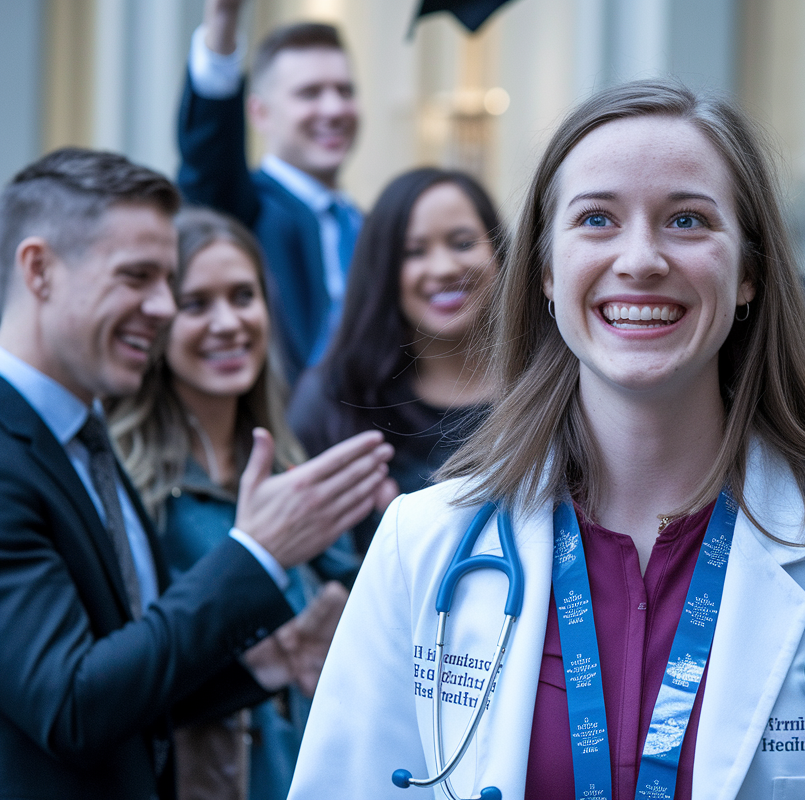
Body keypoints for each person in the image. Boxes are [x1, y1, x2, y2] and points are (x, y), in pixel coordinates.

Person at [288, 79, 805, 800]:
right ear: (544, 271)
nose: (641, 259)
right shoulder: (424, 543)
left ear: (748, 271)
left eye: (687, 221)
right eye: (596, 219)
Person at [0, 148, 392, 800]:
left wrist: (263, 665)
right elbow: (70, 706)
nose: (160, 307)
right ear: (39, 270)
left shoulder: (80, 442)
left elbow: (129, 693)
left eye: (166, 281)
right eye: (138, 277)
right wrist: (255, 556)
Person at [108, 207, 388, 799]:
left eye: (243, 296)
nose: (228, 322)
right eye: (197, 304)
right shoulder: (126, 487)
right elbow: (119, 690)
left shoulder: (291, 468)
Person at [288, 168, 502, 553]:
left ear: (499, 254)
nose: (444, 268)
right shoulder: (334, 400)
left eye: (463, 242)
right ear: (383, 271)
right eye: (414, 252)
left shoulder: (552, 381)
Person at [177, 0, 361, 383]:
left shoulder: (364, 223)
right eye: (309, 93)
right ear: (259, 112)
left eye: (345, 91)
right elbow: (209, 157)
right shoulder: (245, 209)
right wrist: (223, 22)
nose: (333, 108)